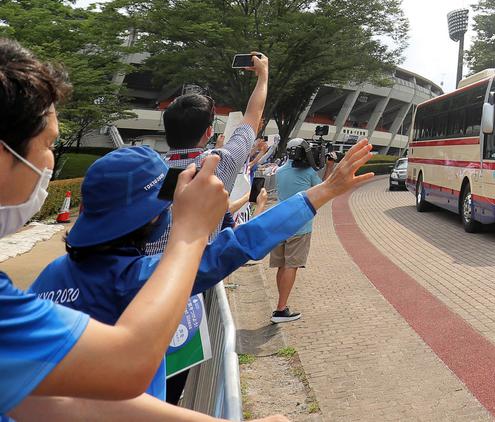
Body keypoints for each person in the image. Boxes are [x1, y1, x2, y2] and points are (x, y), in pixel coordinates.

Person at [0, 39, 288, 421]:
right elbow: (120, 369)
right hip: (167, 321)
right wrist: (189, 231)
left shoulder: (144, 169)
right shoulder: (209, 171)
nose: (51, 160)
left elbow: (49, 398)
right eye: (51, 143)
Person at [28, 141, 377, 399]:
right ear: (154, 215)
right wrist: (327, 190)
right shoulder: (143, 281)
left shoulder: (48, 276)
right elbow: (237, 245)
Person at [152, 53, 271, 254]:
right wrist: (263, 76)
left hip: (146, 272)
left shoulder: (151, 169)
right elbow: (253, 115)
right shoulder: (218, 162)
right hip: (195, 273)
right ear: (208, 132)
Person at [268, 138, 337, 323]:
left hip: (279, 223)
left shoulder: (280, 171)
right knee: (291, 265)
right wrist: (329, 167)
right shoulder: (308, 172)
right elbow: (323, 189)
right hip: (300, 226)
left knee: (282, 265)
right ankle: (281, 309)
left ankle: (281, 304)